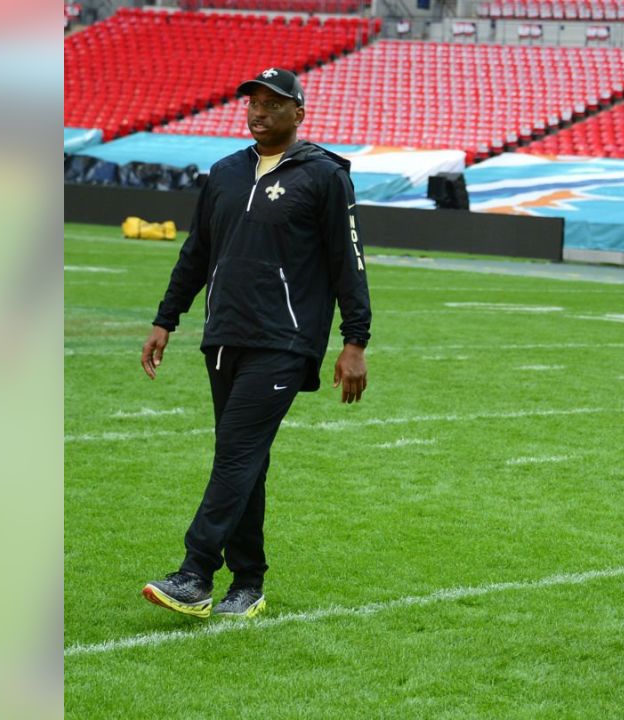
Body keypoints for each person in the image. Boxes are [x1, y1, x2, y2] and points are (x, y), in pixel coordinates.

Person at [138, 68, 372, 619]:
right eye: (253, 101)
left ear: (299, 113)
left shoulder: (324, 176)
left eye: (273, 102)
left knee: (236, 453)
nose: (259, 110)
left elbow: (349, 262)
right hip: (224, 336)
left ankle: (195, 573)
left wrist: (355, 340)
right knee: (247, 461)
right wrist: (165, 319)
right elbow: (196, 253)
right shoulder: (224, 173)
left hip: (285, 341)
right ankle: (249, 582)